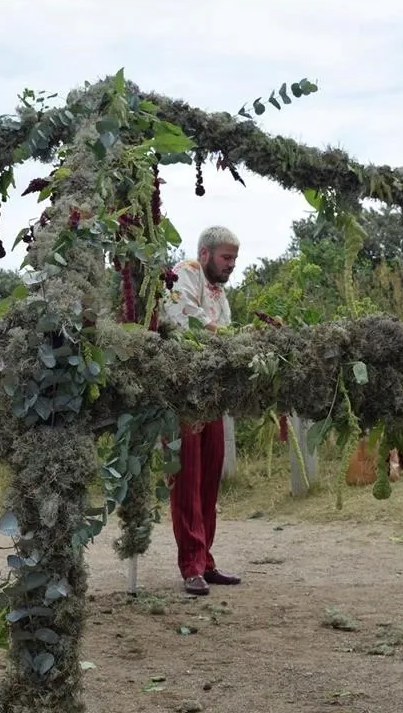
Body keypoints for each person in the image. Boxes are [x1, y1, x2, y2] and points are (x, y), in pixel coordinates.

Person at [162, 225, 243, 595]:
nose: (231, 266)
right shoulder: (184, 274)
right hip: (182, 394)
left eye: (234, 259)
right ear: (206, 254)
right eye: (227, 258)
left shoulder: (220, 293)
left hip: (210, 395)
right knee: (187, 482)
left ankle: (206, 561)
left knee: (210, 478)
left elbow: (224, 332)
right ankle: (190, 567)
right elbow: (184, 321)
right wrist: (225, 337)